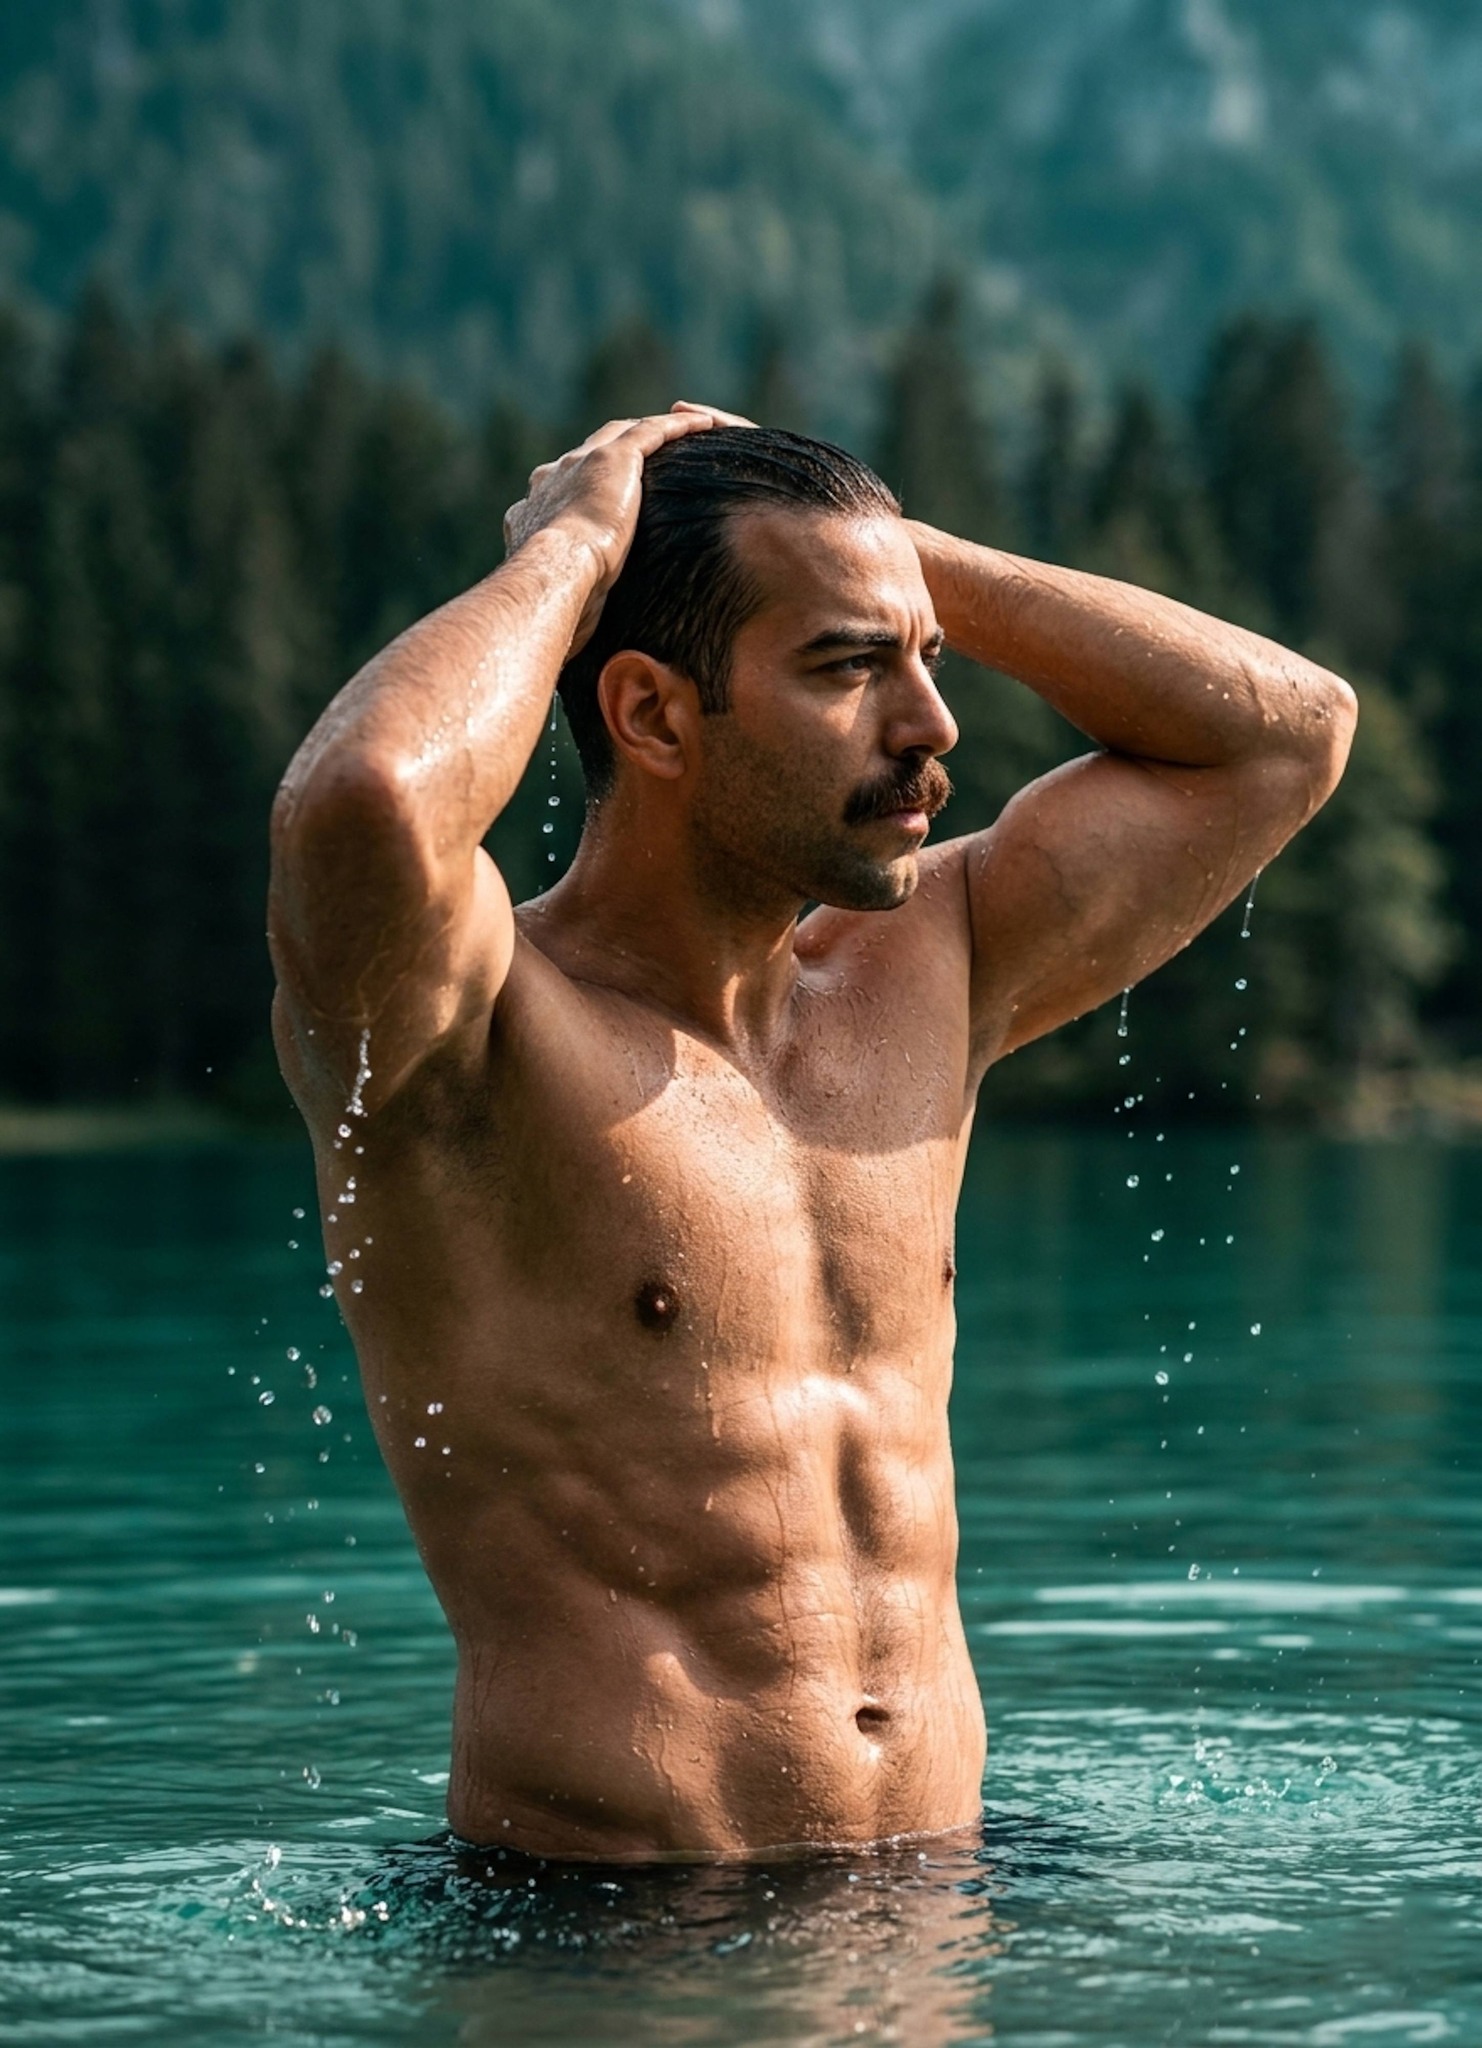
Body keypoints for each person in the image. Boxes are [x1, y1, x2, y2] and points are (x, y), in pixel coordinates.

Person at [268, 404, 1355, 1861]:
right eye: (848, 668)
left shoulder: (933, 973)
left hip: (937, 1901)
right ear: (652, 714)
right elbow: (364, 801)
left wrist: (897, 562)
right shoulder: (465, 1028)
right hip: (611, 1940)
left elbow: (1283, 736)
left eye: (927, 663)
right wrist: (579, 549)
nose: (932, 728)